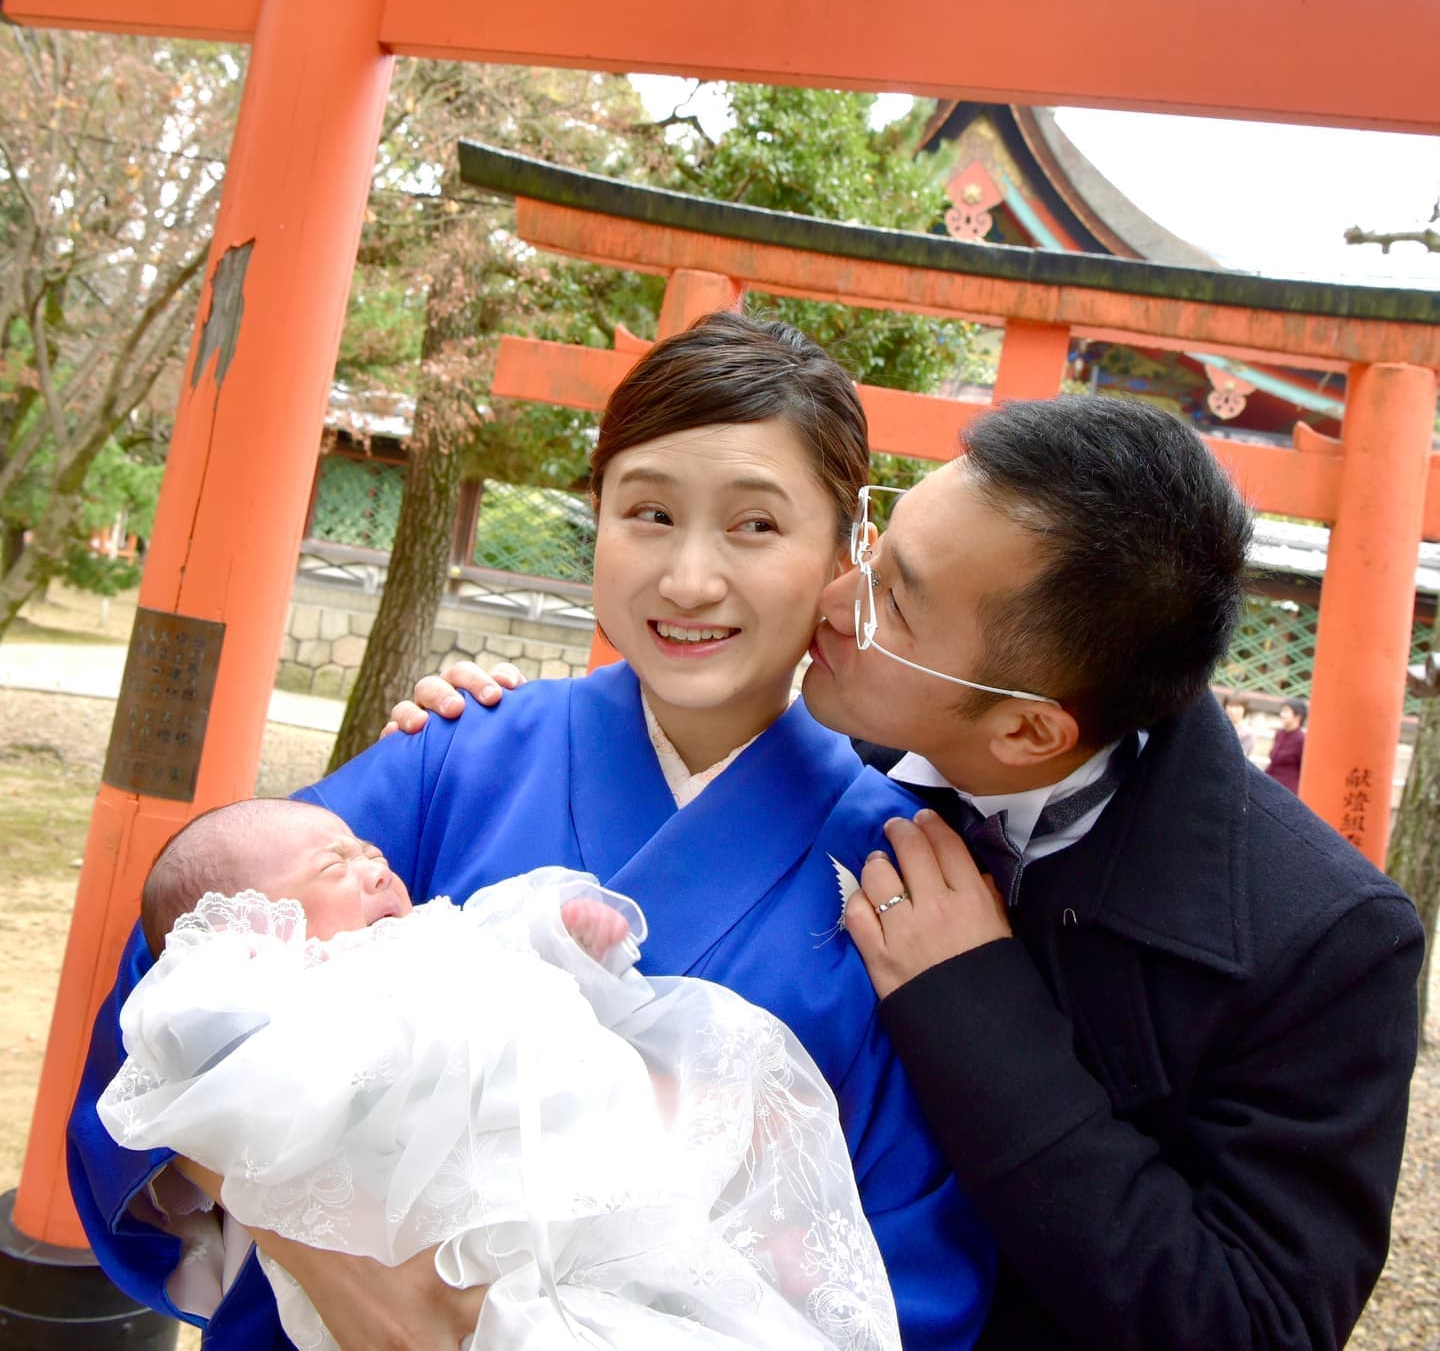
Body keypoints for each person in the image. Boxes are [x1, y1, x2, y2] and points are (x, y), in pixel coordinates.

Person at [403, 395, 1422, 1351]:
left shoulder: (1324, 939)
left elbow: (1254, 1324)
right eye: (874, 554)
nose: (838, 602)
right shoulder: (844, 744)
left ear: (1028, 728)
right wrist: (477, 735)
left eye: (895, 603)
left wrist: (977, 1013)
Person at [70, 312, 994, 1351]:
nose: (690, 579)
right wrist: (348, 1269)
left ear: (845, 553)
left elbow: (903, 1268)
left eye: (756, 525)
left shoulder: (899, 876)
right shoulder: (452, 757)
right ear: (594, 515)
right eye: (647, 512)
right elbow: (171, 1011)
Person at [99, 798, 900, 1351]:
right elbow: (183, 1051)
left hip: (606, 1171)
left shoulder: (439, 933)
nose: (376, 865)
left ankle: (772, 1279)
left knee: (684, 1254)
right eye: (334, 866)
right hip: (475, 1246)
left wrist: (565, 931)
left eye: (371, 851)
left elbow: (509, 928)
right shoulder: (304, 1001)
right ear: (253, 932)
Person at [1266, 695, 1307, 794]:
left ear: (1298, 716)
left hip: (1288, 790)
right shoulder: (1279, 734)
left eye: (1286, 711)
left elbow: (1303, 769)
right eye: (1282, 711)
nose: (1282, 714)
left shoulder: (1301, 739)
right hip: (1270, 785)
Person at [1223, 692, 1254, 758]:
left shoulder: (1248, 733)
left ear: (1245, 709)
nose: (1233, 710)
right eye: (1230, 706)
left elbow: (1242, 757)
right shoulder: (1219, 726)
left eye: (1237, 707)